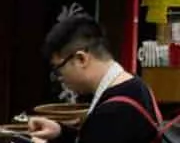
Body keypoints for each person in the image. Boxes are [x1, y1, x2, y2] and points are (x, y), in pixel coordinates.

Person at [27, 16, 162, 143]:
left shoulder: (113, 112)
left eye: (59, 68)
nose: (59, 77)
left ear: (81, 59)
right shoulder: (134, 85)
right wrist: (60, 132)